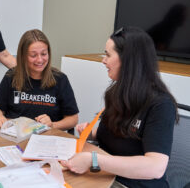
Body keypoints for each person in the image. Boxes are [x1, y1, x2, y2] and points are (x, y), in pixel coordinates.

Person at [61, 27, 178, 188]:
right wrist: (92, 133)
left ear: (128, 60)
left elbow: (155, 167)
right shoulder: (117, 92)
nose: (103, 60)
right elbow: (120, 137)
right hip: (105, 178)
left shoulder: (161, 105)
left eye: (108, 55)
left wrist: (93, 160)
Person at [0, 29, 79, 132]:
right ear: (23, 56)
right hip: (15, 137)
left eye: (44, 54)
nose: (40, 60)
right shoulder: (11, 76)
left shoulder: (60, 79)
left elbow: (73, 119)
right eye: (33, 55)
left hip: (47, 138)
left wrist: (52, 125)